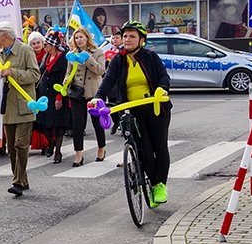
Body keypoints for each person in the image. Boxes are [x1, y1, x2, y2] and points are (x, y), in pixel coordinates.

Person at [94, 21, 172, 208]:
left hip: (155, 108)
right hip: (132, 111)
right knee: (143, 150)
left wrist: (162, 89)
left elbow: (164, 76)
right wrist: (98, 97)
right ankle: (153, 183)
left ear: (141, 40)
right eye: (125, 36)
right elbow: (107, 80)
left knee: (159, 148)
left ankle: (161, 185)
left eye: (132, 36)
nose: (127, 40)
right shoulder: (118, 60)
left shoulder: (151, 56)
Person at [0, 21, 40, 195]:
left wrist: (14, 72)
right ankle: (22, 178)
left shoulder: (25, 50)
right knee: (11, 147)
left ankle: (18, 182)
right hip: (7, 107)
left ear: (5, 35)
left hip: (24, 105)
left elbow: (35, 75)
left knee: (21, 145)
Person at [65, 28, 106, 167]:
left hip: (93, 92)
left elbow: (101, 70)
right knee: (77, 124)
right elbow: (68, 72)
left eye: (81, 37)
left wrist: (88, 59)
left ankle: (101, 149)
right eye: (76, 38)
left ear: (87, 38)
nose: (79, 40)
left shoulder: (98, 52)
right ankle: (78, 155)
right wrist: (67, 80)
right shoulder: (72, 55)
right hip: (77, 93)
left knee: (97, 123)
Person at [36, 31, 70, 164]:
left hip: (57, 93)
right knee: (43, 122)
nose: (44, 47)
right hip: (44, 94)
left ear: (53, 45)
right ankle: (51, 143)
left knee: (58, 123)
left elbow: (64, 79)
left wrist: (59, 97)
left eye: (46, 44)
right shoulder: (46, 57)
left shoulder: (64, 58)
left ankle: (58, 151)